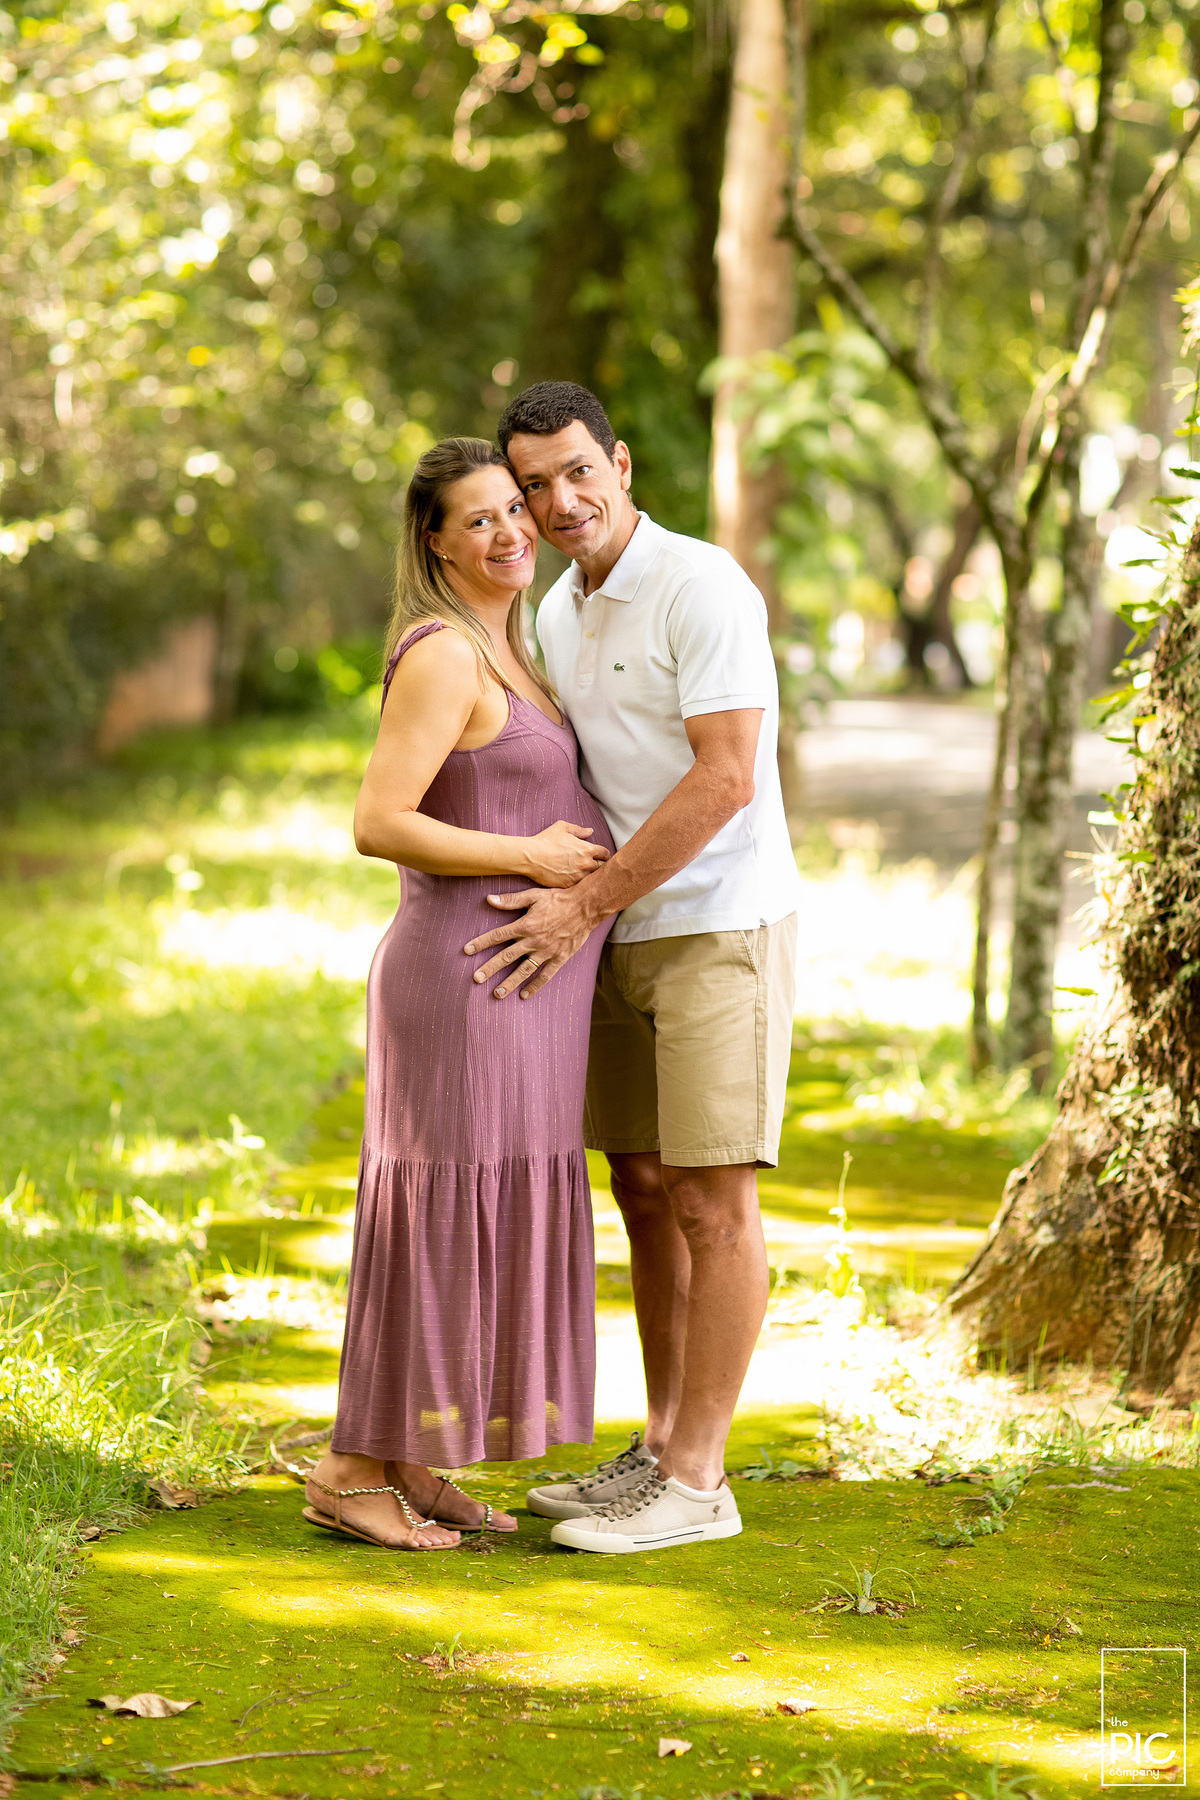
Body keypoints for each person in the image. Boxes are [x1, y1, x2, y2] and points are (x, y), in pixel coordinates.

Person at [465, 381, 801, 1555]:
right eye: (533, 487)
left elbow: (724, 777)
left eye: (575, 473)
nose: (558, 503)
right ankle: (660, 1447)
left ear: (618, 459)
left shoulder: (701, 583)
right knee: (645, 1190)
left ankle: (701, 1481)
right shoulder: (559, 608)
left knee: (715, 1198)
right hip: (614, 933)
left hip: (717, 926)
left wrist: (581, 905)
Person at [303, 436, 615, 1551]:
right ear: (433, 541)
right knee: (438, 1210)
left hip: (524, 986)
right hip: (463, 975)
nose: (508, 531)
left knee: (477, 1204)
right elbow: (378, 821)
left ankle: (411, 1459)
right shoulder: (444, 653)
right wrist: (526, 857)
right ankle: (349, 1468)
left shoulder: (515, 646)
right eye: (476, 519)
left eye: (513, 509)